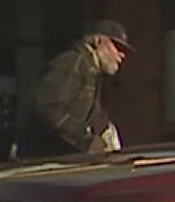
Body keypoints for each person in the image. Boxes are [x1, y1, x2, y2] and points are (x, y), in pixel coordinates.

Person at [21, 19, 130, 159]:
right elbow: (48, 108)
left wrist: (105, 130)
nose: (122, 55)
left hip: (62, 158)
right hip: (43, 159)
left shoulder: (91, 70)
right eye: (118, 47)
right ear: (98, 41)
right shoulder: (72, 63)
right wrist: (86, 140)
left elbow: (91, 113)